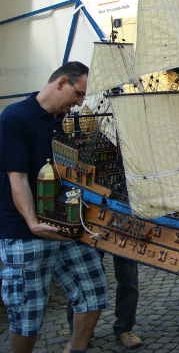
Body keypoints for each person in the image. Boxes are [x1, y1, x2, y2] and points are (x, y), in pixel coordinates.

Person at [0, 62, 108, 353]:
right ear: (61, 83)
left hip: (65, 226)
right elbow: (17, 176)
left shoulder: (64, 121)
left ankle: (75, 349)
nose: (80, 102)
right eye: (78, 93)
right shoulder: (15, 117)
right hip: (24, 230)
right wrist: (33, 222)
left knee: (93, 292)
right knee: (27, 314)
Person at [66, 255, 142, 349]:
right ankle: (78, 333)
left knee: (129, 279)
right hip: (90, 240)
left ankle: (124, 329)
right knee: (83, 278)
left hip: (127, 240)